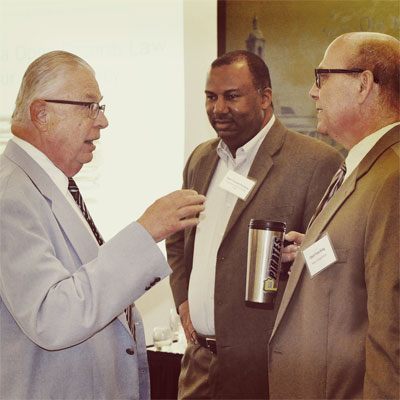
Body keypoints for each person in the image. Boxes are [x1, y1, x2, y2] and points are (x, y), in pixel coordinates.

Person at [0, 50, 205, 400]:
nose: (102, 122)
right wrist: (145, 232)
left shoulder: (53, 185)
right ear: (42, 113)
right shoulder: (10, 196)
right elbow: (53, 315)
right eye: (89, 106)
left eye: (101, 107)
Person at [166, 50, 343, 399]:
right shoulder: (201, 159)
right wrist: (183, 300)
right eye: (211, 97)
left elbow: (332, 262)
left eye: (232, 96)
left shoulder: (316, 163)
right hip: (199, 368)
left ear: (265, 97)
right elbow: (177, 237)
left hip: (268, 373)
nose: (218, 108)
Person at [268, 32, 400, 399]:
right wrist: (310, 250)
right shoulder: (365, 167)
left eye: (322, 78)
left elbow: (393, 334)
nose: (313, 92)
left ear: (363, 84)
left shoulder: (393, 178)